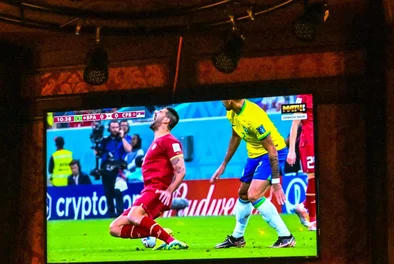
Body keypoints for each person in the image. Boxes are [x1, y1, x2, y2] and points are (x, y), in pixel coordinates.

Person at [210, 99, 297, 250]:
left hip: (274, 152)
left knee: (253, 195)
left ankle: (286, 236)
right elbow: (236, 136)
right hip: (254, 155)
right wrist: (224, 164)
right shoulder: (231, 112)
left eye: (223, 98)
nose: (221, 101)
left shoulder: (254, 116)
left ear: (230, 100)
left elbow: (272, 151)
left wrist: (276, 183)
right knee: (243, 194)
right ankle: (237, 238)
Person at [108, 107, 190, 251]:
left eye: (160, 112)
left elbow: (181, 170)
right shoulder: (156, 143)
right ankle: (161, 234)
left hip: (157, 191)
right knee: (114, 228)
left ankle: (172, 241)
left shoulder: (170, 141)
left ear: (166, 120)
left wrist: (169, 191)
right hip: (148, 190)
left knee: (134, 215)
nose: (155, 113)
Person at [287, 94, 317, 231]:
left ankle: (303, 206)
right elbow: (295, 123)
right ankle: (313, 220)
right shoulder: (303, 96)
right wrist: (291, 150)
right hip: (309, 142)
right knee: (312, 177)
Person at [94, 120, 133, 217]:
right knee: (108, 193)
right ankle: (111, 214)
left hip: (118, 170)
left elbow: (129, 149)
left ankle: (120, 214)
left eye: (116, 127)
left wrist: (122, 137)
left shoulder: (126, 138)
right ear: (109, 129)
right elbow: (99, 153)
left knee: (118, 192)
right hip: (106, 170)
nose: (115, 130)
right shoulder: (105, 140)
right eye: (113, 128)